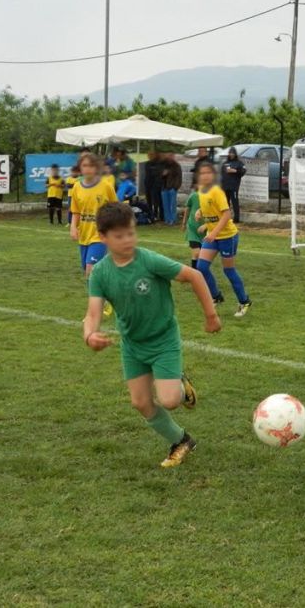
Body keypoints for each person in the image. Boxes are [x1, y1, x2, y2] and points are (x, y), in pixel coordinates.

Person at [83, 202, 222, 468]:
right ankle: (182, 441)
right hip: (133, 345)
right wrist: (90, 335)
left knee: (169, 400)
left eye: (131, 233)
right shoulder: (100, 273)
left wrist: (211, 316)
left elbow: (193, 275)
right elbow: (92, 313)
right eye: (119, 236)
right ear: (103, 237)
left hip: (163, 340)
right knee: (141, 402)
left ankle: (180, 386)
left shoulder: (148, 260)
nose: (127, 240)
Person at [194, 162, 252, 317]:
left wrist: (213, 233)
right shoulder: (201, 190)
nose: (205, 176)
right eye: (202, 173)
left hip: (227, 236)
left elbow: (226, 215)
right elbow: (211, 210)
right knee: (201, 267)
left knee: (228, 270)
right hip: (213, 235)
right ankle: (216, 296)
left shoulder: (217, 191)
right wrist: (201, 213)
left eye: (208, 173)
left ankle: (244, 301)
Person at [69, 153, 117, 278]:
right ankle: (103, 293)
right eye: (84, 165)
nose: (88, 168)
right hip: (84, 236)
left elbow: (116, 209)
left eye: (91, 165)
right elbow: (76, 211)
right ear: (80, 168)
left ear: (97, 168)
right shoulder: (77, 187)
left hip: (100, 236)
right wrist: (73, 227)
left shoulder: (106, 186)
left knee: (90, 270)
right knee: (88, 270)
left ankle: (95, 297)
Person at [220, 147, 246, 223]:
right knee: (225, 203)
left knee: (235, 202)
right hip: (225, 186)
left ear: (235, 154)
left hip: (234, 186)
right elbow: (222, 174)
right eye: (230, 153)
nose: (231, 154)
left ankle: (236, 218)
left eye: (232, 153)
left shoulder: (239, 163)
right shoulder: (225, 163)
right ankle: (225, 218)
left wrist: (235, 171)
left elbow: (243, 171)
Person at [182, 188, 204, 269]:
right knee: (196, 253)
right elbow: (187, 209)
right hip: (192, 228)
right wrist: (184, 223)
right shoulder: (193, 196)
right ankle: (195, 272)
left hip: (204, 231)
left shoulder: (211, 198)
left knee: (202, 255)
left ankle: (200, 272)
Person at [161, 152, 183, 225]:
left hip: (172, 188)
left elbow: (179, 177)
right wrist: (163, 175)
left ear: (174, 156)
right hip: (164, 187)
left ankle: (173, 220)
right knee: (165, 205)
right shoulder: (164, 165)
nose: (169, 157)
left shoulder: (176, 166)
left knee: (172, 205)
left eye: (171, 155)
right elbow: (159, 176)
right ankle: (167, 220)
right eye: (168, 155)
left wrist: (175, 187)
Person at [143, 151, 164, 222]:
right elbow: (148, 174)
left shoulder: (159, 164)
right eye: (149, 155)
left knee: (156, 201)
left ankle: (157, 215)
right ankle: (150, 215)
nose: (149, 156)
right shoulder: (147, 164)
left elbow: (157, 174)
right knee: (149, 201)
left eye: (151, 155)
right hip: (148, 185)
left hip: (156, 185)